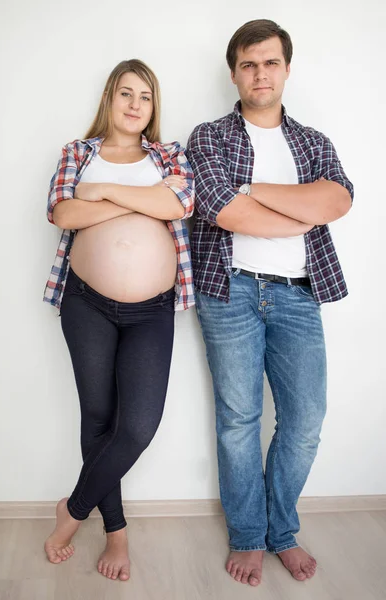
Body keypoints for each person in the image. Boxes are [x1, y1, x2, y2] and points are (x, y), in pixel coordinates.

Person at [187, 19, 353, 587]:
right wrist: (297, 211)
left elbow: (337, 199)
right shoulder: (207, 136)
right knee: (239, 420)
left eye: (271, 62)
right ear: (234, 73)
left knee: (305, 420)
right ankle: (249, 536)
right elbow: (219, 209)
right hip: (230, 289)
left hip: (299, 295)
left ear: (286, 68)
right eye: (249, 64)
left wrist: (252, 188)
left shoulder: (313, 142)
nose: (261, 73)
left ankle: (283, 530)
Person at [43, 59, 194, 581]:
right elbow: (63, 215)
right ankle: (116, 532)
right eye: (125, 93)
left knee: (136, 427)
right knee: (99, 420)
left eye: (145, 96)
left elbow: (179, 205)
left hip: (152, 311)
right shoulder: (77, 154)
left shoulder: (170, 155)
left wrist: (101, 194)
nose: (134, 104)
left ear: (153, 107)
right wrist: (141, 203)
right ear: (109, 98)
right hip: (86, 305)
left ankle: (73, 508)